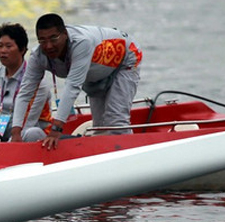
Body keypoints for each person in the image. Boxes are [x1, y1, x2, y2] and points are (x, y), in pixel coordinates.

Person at [10, 13, 143, 150]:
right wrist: (16, 133)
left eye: (53, 38)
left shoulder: (81, 43)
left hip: (126, 58)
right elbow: (25, 93)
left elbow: (72, 87)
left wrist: (56, 130)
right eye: (42, 41)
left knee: (115, 121)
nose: (48, 46)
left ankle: (131, 156)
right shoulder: (38, 56)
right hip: (95, 70)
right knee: (100, 128)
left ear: (65, 34)